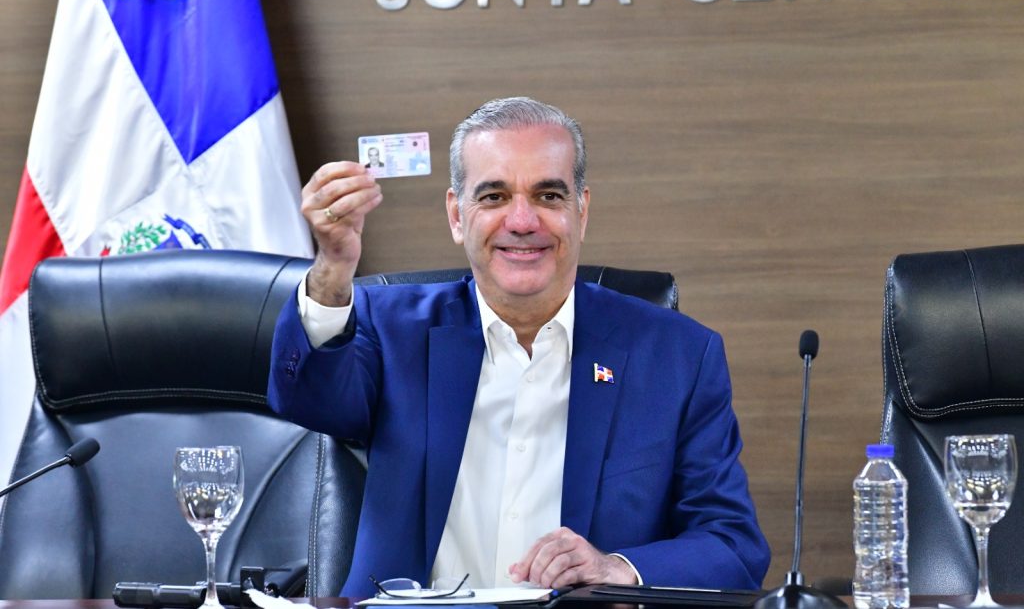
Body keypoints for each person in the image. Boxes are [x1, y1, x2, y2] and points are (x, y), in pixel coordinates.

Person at [268, 97, 770, 597]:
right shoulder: (391, 330)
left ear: (581, 211)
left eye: (548, 196)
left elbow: (733, 546)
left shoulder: (677, 356)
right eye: (494, 197)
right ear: (457, 215)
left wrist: (616, 568)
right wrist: (332, 267)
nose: (523, 221)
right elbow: (309, 400)